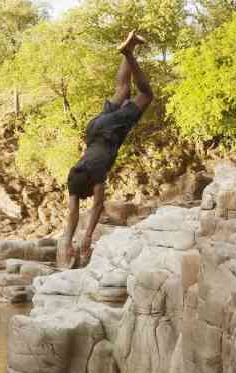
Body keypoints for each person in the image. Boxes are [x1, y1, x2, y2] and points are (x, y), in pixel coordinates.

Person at [59, 30, 154, 267]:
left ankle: (128, 53)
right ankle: (129, 46)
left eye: (91, 192)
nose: (92, 195)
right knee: (123, 90)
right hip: (94, 129)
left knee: (146, 95)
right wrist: (68, 241)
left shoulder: (96, 174)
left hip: (109, 131)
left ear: (90, 186)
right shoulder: (73, 174)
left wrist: (87, 237)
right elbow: (72, 213)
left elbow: (96, 207)